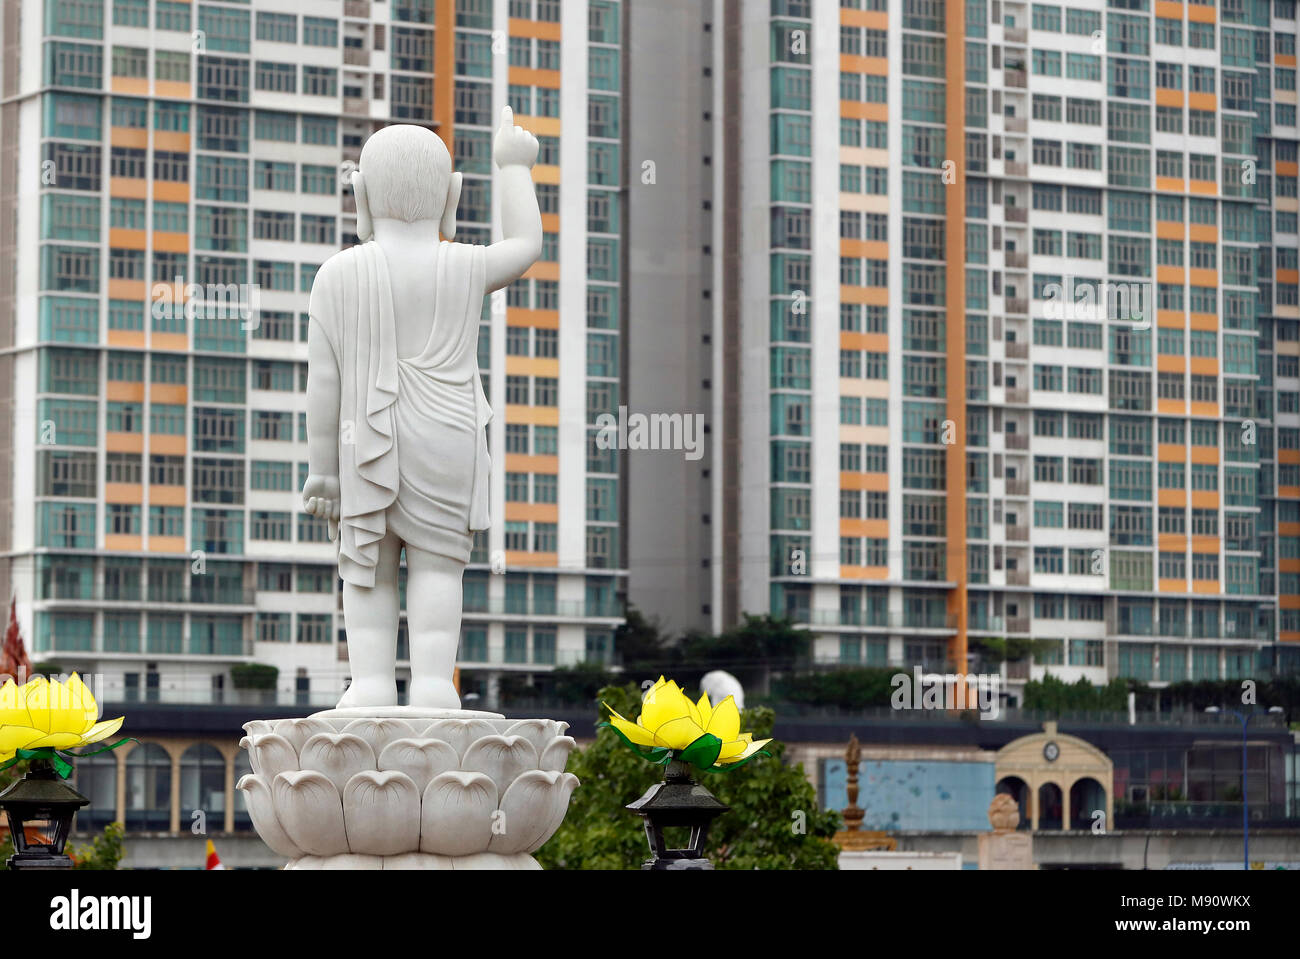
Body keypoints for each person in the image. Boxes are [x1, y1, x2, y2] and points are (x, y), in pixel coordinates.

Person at [302, 108, 542, 709]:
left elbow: (323, 385)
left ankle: (373, 684)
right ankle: (435, 683)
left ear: (358, 193)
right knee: (439, 568)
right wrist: (514, 167)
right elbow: (526, 245)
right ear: (452, 195)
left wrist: (323, 472)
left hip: (365, 440)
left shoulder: (337, 275)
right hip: (449, 436)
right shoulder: (463, 265)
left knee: (369, 568)